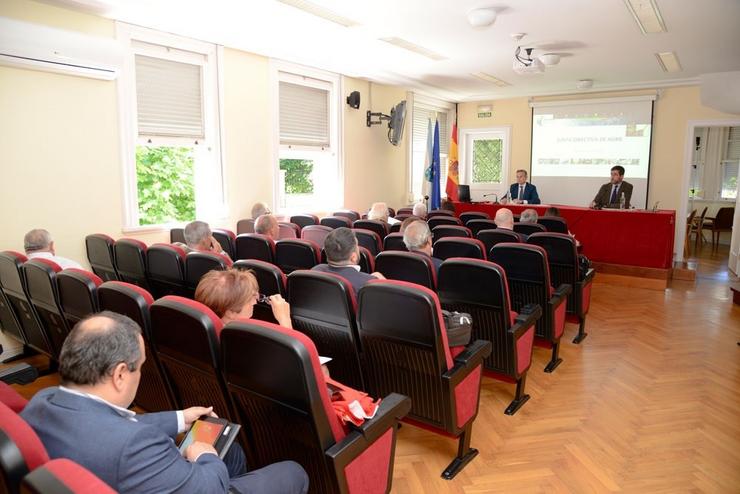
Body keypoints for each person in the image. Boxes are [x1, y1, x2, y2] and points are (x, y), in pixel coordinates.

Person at [21, 312, 308, 494]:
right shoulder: (135, 446)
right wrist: (204, 457)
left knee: (232, 453)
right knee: (293, 472)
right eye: (140, 367)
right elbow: (204, 488)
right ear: (120, 374)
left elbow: (109, 424)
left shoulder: (43, 400)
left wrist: (179, 418)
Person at [195, 268, 292, 327]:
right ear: (230, 313)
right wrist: (285, 319)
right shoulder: (244, 341)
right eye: (250, 297)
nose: (255, 301)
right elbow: (290, 359)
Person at [312, 228, 385, 295]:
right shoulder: (369, 283)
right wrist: (382, 283)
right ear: (353, 257)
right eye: (357, 246)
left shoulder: (315, 270)